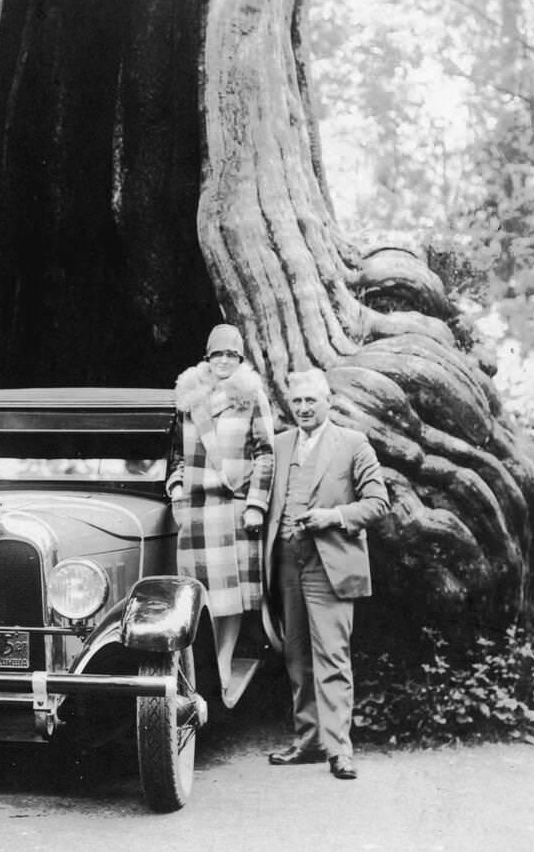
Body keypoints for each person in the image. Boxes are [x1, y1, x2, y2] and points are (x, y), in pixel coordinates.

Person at [264, 367, 389, 780]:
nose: (302, 408)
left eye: (310, 401)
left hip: (329, 564)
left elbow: (378, 502)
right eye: (296, 401)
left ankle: (340, 750)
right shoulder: (280, 445)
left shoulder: (353, 443)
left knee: (332, 657)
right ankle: (309, 741)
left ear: (328, 403)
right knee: (296, 656)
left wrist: (334, 516)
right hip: (285, 561)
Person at [167, 324, 275, 687]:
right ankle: (205, 672)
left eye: (231, 354)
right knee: (201, 596)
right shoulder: (189, 399)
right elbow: (177, 455)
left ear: (240, 359)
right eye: (218, 354)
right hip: (196, 511)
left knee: (230, 600)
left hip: (232, 509)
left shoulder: (251, 397)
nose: (224, 361)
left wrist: (256, 504)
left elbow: (265, 455)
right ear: (208, 358)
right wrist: (177, 486)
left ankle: (224, 667)